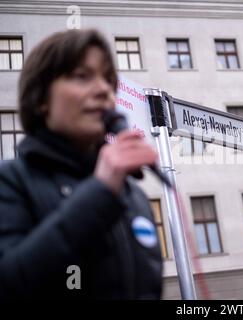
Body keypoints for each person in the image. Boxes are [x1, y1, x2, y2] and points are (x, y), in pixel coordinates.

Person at [0, 29, 163, 299]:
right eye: (81, 76)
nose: (104, 90)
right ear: (41, 99)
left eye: (108, 80)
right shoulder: (11, 182)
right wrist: (99, 193)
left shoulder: (133, 195)